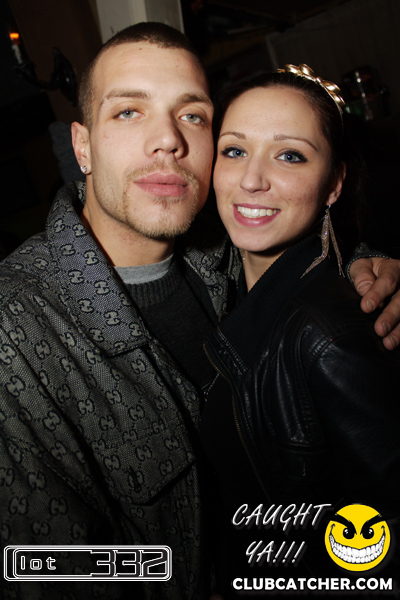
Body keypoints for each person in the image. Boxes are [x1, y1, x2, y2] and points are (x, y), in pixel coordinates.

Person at [0, 23, 398, 600]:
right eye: (129, 112)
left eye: (192, 116)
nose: (168, 139)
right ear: (82, 146)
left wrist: (369, 264)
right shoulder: (16, 329)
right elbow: (39, 566)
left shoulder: (218, 253)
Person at [201, 65, 400, 598]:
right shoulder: (219, 285)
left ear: (333, 184)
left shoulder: (335, 339)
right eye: (234, 150)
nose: (251, 179)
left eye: (289, 155)